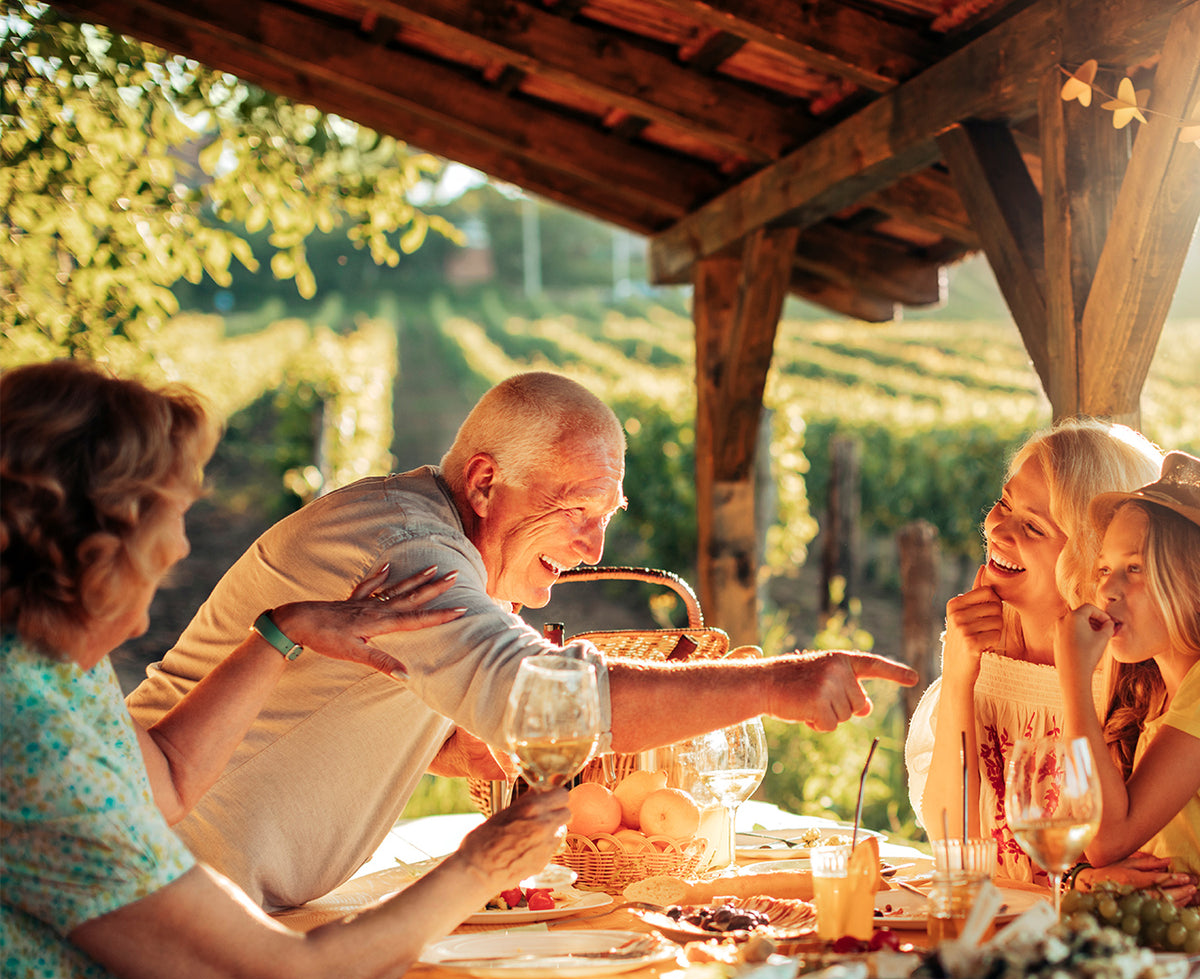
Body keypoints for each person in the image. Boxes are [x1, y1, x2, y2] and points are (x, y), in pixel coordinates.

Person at [1, 360, 571, 979]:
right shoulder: (32, 737)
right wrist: (484, 864)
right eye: (172, 515)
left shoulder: (48, 665)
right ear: (98, 539)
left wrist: (284, 632)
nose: (184, 545)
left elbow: (166, 777)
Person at [128, 369, 918, 919]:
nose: (592, 545)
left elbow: (349, 694)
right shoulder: (412, 554)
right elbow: (550, 701)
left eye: (609, 513)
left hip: (198, 890)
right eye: (577, 509)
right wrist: (776, 687)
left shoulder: (433, 537)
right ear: (483, 484)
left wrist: (446, 745)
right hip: (158, 892)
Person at [904, 419, 1178, 884]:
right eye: (1004, 504)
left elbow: (1143, 866)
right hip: (992, 928)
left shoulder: (1135, 677)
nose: (998, 530)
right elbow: (954, 845)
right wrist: (958, 673)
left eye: (1033, 526)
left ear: (1094, 555)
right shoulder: (981, 651)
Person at [1055, 451, 1200, 885]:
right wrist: (1087, 878)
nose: (1107, 589)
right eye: (1104, 568)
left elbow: (1105, 838)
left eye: (1134, 568)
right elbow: (1082, 842)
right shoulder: (1153, 694)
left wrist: (1075, 678)